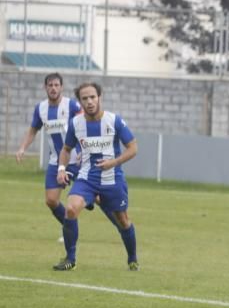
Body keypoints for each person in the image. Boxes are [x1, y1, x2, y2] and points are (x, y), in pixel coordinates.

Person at [55, 82, 140, 272]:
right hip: (87, 178)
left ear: (99, 97)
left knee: (123, 221)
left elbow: (133, 147)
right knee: (71, 208)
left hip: (112, 178)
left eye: (92, 97)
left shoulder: (114, 120)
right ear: (80, 101)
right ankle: (70, 259)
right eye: (85, 98)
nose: (89, 101)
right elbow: (66, 149)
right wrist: (62, 168)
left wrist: (113, 162)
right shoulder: (76, 124)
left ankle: (132, 258)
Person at [14, 73, 83, 232]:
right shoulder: (41, 109)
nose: (53, 88)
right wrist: (22, 148)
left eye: (56, 85)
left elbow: (84, 126)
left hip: (77, 159)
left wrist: (83, 150)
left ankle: (120, 221)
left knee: (98, 198)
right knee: (51, 200)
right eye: (50, 85)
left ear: (62, 87)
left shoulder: (72, 105)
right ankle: (69, 228)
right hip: (56, 161)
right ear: (45, 87)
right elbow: (33, 130)